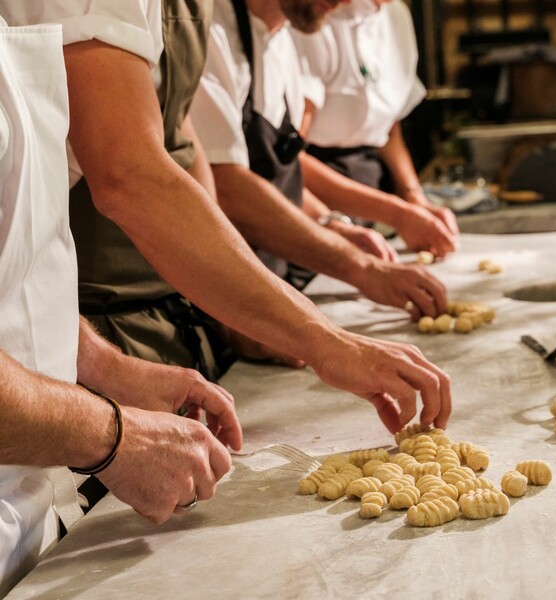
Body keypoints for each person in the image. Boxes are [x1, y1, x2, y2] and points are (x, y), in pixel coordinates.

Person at [0, 0, 452, 434]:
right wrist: (325, 339)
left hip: (130, 318)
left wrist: (226, 310)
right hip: (111, 309)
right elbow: (130, 176)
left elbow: (182, 141)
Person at [0, 16, 242, 595]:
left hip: (33, 530)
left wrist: (109, 370)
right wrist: (111, 436)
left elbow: (17, 271)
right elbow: (129, 173)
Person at [188, 0, 447, 315]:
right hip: (222, 291)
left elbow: (285, 171)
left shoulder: (283, 42)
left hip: (270, 277)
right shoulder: (209, 34)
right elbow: (225, 185)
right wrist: (360, 267)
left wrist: (332, 225)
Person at [291, 0, 460, 251]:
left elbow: (389, 130)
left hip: (369, 190)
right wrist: (398, 214)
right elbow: (289, 162)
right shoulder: (315, 13)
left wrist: (413, 197)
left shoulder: (396, 15)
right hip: (309, 194)